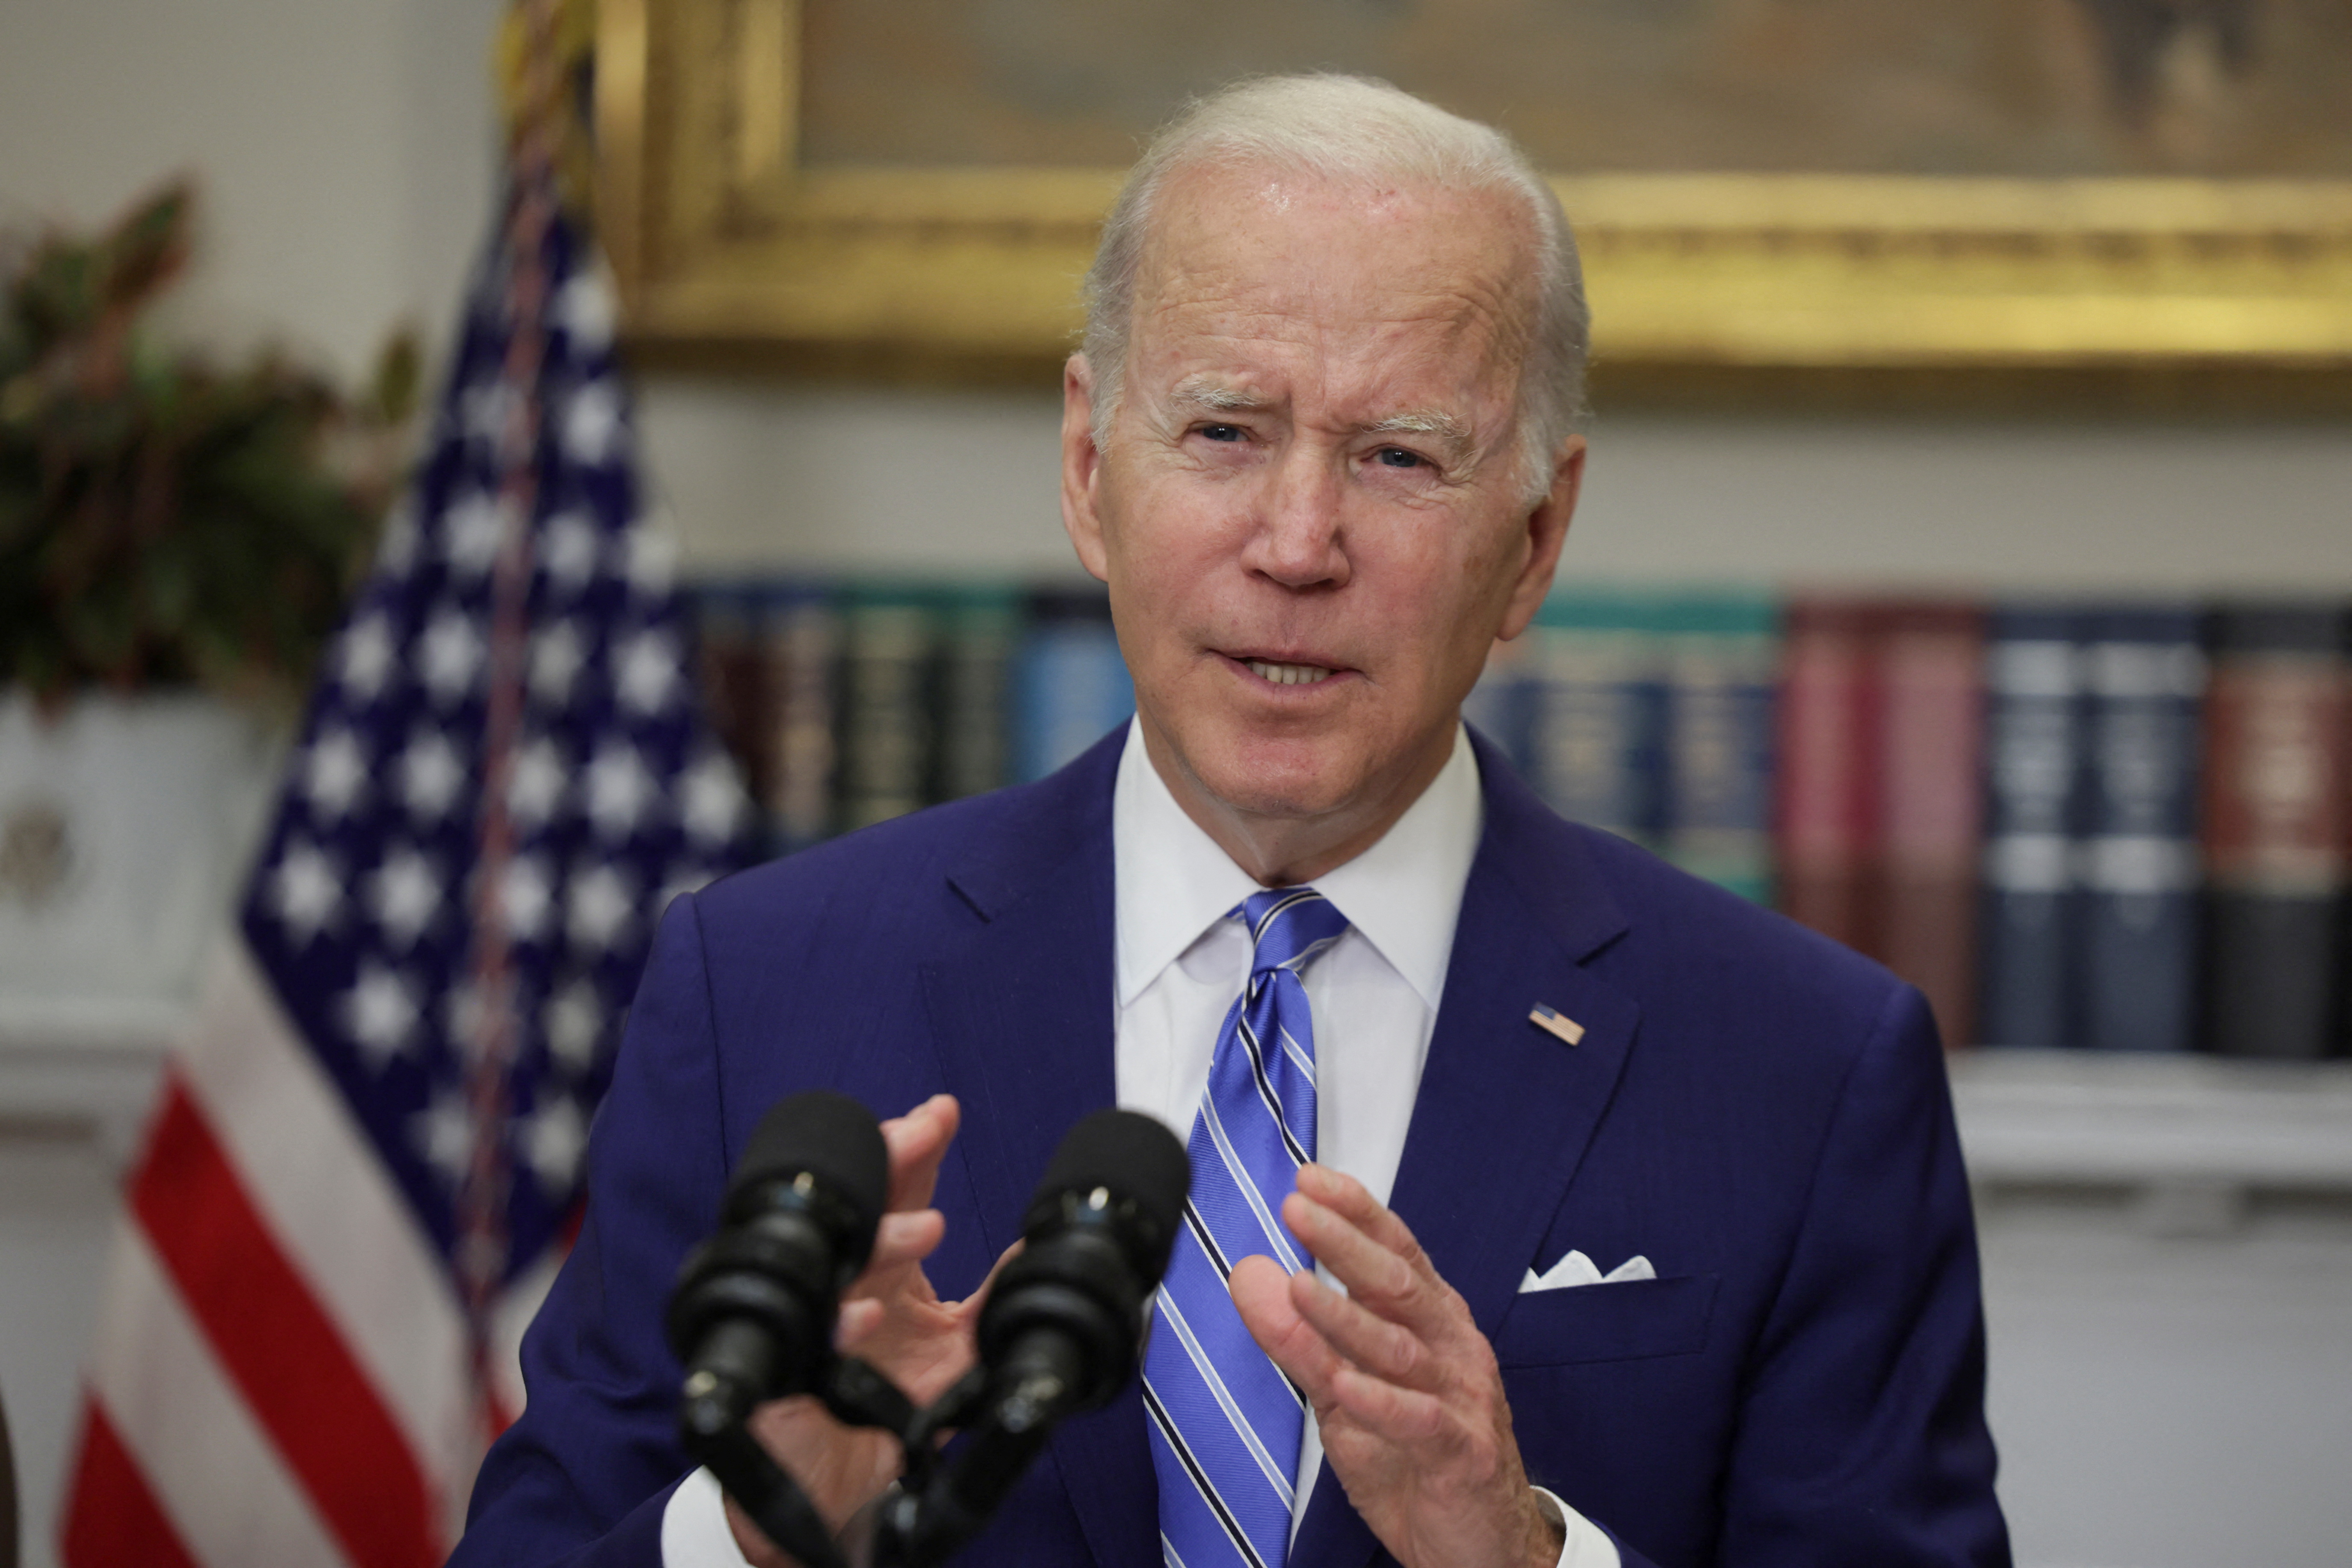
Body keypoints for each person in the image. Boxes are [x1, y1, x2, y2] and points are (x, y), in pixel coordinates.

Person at [451, 74, 2008, 1568]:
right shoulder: (763, 988)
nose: (1297, 541)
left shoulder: (1804, 1070)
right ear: (1086, 466)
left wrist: (1519, 1556)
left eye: (1398, 455)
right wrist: (757, 1534)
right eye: (1222, 431)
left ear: (1531, 541)